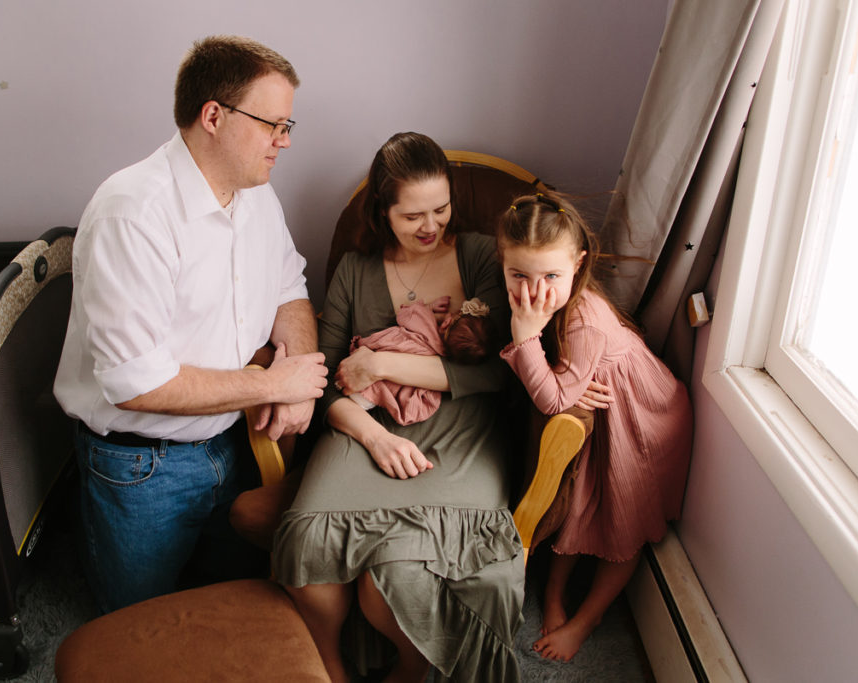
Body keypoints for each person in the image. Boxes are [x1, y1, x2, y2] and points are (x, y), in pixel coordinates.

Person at [53, 35, 328, 614]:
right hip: (141, 464)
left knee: (230, 603)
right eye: (274, 124)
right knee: (139, 625)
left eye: (288, 126)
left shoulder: (256, 196)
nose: (284, 141)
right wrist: (273, 385)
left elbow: (289, 290)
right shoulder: (133, 213)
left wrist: (298, 374)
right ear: (214, 116)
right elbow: (136, 382)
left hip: (231, 443)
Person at [270, 131, 523, 683]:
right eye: (413, 216)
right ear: (382, 212)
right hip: (366, 421)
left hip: (462, 427)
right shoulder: (356, 271)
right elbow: (329, 378)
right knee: (309, 544)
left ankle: (411, 670)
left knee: (397, 567)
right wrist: (375, 436)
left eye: (441, 208)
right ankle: (331, 667)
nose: (430, 226)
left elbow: (491, 374)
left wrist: (383, 365)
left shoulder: (481, 253)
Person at [495, 191, 693, 662]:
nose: (534, 291)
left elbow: (554, 399)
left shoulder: (583, 321)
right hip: (600, 413)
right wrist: (567, 381)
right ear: (501, 264)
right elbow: (560, 389)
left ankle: (589, 619)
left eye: (551, 277)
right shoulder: (536, 300)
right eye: (518, 275)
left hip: (644, 420)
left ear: (578, 266)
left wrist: (528, 339)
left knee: (623, 521)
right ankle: (558, 593)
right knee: (581, 508)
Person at [348, 295, 494, 425]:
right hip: (382, 389)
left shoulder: (425, 322)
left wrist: (429, 308)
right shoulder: (437, 363)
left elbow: (405, 314)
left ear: (446, 322)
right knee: (364, 399)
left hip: (370, 355)